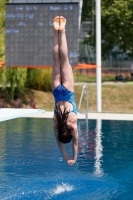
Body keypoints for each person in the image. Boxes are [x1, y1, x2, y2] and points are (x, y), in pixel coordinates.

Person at [52, 16, 78, 166]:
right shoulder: (56, 124)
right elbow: (59, 143)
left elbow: (75, 144)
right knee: (56, 60)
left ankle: (63, 31)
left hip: (68, 92)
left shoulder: (73, 125)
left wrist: (72, 158)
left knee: (65, 60)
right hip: (57, 92)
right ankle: (56, 32)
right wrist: (66, 156)